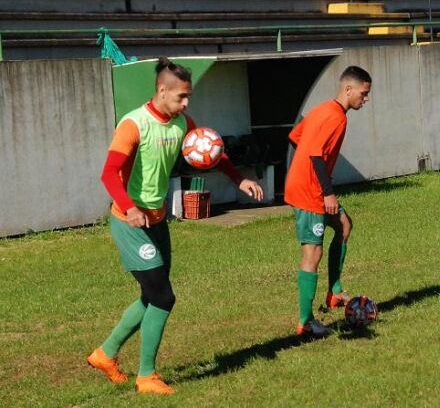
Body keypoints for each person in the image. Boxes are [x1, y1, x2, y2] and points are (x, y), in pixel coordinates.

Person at [87, 58, 263, 394]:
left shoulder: (181, 122)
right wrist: (130, 208)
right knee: (164, 297)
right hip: (130, 222)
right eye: (181, 97)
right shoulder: (134, 124)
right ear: (162, 91)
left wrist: (239, 180)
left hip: (157, 220)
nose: (186, 104)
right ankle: (146, 377)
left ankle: (104, 354)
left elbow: (212, 151)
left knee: (150, 295)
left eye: (188, 97)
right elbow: (108, 174)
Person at [284, 66, 372, 336]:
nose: (365, 99)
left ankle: (334, 292)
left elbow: (295, 137)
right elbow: (315, 154)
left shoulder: (321, 110)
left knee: (344, 225)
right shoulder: (335, 118)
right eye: (364, 93)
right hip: (310, 192)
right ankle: (305, 322)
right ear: (348, 89)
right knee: (313, 253)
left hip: (308, 185)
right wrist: (326, 192)